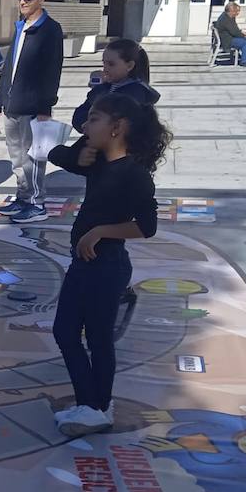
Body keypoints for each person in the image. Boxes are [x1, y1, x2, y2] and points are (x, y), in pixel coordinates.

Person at [47, 93, 170, 436]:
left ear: (117, 128)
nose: (85, 126)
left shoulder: (134, 174)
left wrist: (100, 231)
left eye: (94, 119)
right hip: (84, 263)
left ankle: (98, 407)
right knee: (65, 332)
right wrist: (80, 153)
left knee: (98, 338)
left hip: (107, 266)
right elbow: (56, 154)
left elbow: (147, 226)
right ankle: (92, 403)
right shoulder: (97, 161)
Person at [0, 0, 64, 224]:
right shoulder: (21, 26)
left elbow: (52, 71)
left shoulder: (50, 30)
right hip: (12, 104)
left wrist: (45, 107)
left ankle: (36, 203)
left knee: (33, 159)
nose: (22, 2)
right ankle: (23, 197)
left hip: (33, 107)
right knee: (18, 159)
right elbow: (10, 66)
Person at [72, 39, 161, 134]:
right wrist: (98, 89)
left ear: (129, 66)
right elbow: (79, 117)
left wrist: (99, 93)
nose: (105, 69)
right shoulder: (106, 87)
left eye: (111, 64)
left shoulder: (135, 93)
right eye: (104, 63)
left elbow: (109, 125)